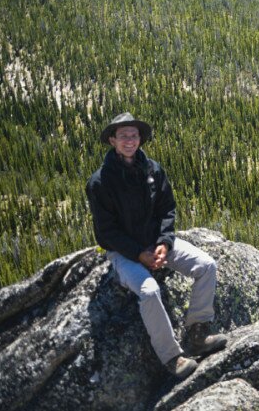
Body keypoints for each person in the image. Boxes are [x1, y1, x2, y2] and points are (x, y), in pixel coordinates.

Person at [85, 112, 228, 379]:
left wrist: (164, 243)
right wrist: (138, 254)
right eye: (124, 135)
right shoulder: (100, 182)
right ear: (112, 140)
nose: (130, 140)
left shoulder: (153, 170)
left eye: (134, 135)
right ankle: (171, 357)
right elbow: (106, 233)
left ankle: (197, 334)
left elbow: (167, 210)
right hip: (124, 253)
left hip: (156, 242)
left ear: (140, 139)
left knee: (206, 265)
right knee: (149, 291)